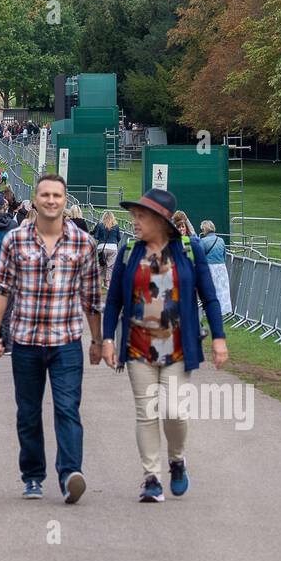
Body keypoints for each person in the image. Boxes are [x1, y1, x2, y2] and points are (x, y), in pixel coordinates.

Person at [101, 189, 228, 504]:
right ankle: (151, 478)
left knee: (174, 411)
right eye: (134, 216)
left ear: (161, 220)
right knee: (146, 412)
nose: (135, 222)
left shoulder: (189, 250)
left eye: (141, 216)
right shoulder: (129, 251)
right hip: (137, 347)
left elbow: (209, 296)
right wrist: (106, 338)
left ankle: (177, 458)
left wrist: (219, 337)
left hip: (176, 348)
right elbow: (114, 299)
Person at [0, 174, 102, 504]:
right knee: (28, 411)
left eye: (57, 195)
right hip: (25, 341)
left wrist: (97, 340)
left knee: (67, 408)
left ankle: (69, 475)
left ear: (65, 201)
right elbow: (1, 290)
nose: (51, 200)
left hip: (66, 341)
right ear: (35, 200)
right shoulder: (16, 240)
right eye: (45, 195)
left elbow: (91, 297)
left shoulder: (81, 243)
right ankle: (33, 475)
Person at [199, 219, 232, 315]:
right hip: (221, 267)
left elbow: (200, 256)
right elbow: (224, 255)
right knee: (223, 289)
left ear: (204, 229)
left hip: (209, 268)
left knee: (210, 289)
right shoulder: (221, 240)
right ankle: (224, 310)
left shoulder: (203, 241)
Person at [94, 211, 123, 284]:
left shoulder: (100, 225)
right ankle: (107, 281)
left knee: (102, 264)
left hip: (102, 247)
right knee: (110, 266)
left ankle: (97, 280)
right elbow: (119, 238)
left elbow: (96, 236)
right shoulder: (116, 226)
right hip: (113, 247)